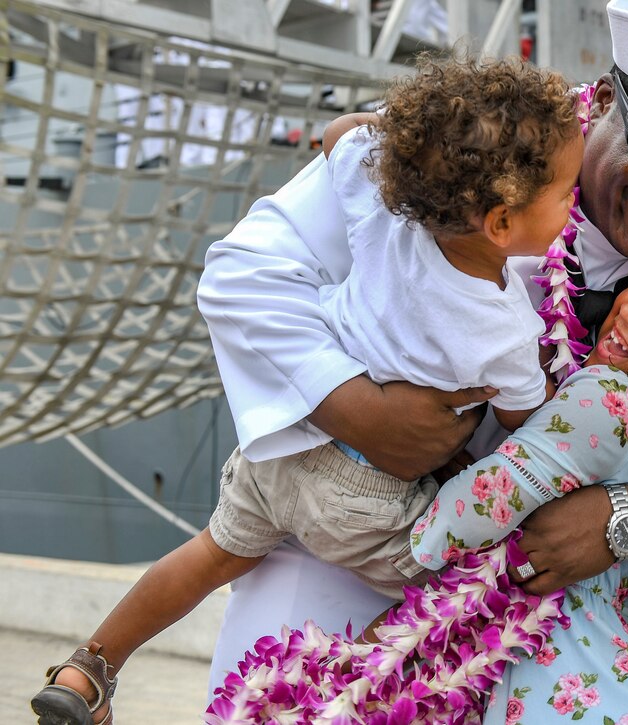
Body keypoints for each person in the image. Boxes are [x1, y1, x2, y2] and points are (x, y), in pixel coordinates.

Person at [196, 0, 628, 703]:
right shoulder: (482, 149)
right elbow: (245, 276)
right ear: (608, 102)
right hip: (330, 557)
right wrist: (356, 409)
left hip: (527, 633)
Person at [31, 56, 582, 725]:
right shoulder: (505, 328)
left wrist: (412, 148)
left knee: (209, 553)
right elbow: (528, 419)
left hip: (285, 444)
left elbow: (341, 135)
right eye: (565, 193)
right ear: (500, 223)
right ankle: (324, 701)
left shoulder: (384, 215)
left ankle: (90, 665)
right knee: (458, 589)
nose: (572, 203)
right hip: (366, 498)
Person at [206, 239, 628, 723]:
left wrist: (421, 529)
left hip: (551, 681)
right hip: (622, 678)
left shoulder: (607, 395)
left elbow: (478, 508)